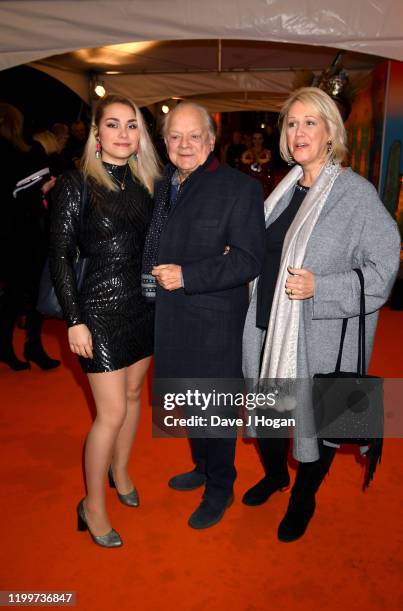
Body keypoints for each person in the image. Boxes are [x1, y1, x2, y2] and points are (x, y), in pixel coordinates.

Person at [242, 87, 401, 542]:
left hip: (323, 340)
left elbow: (385, 268)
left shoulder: (356, 194)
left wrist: (322, 288)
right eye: (292, 123)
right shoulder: (283, 188)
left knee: (322, 421)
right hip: (267, 328)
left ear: (331, 132)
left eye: (310, 122)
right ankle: (276, 476)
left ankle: (303, 497)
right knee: (271, 420)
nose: (299, 131)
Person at [143, 102, 265, 529]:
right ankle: (201, 467)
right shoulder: (162, 185)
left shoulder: (240, 188)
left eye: (195, 136)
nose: (185, 144)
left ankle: (221, 486)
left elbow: (249, 259)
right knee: (190, 403)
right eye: (175, 136)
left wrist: (188, 276)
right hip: (171, 319)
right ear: (164, 142)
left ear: (211, 141)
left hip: (214, 318)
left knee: (215, 408)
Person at [50, 94, 160, 547]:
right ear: (96, 133)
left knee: (134, 397)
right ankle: (92, 505)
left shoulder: (149, 183)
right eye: (112, 124)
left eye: (131, 126)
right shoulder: (76, 185)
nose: (122, 133)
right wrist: (75, 320)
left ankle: (121, 471)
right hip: (97, 311)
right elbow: (58, 255)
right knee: (111, 413)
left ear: (140, 137)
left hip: (142, 307)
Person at [0, 102, 60, 371]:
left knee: (24, 292)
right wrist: (39, 191)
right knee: (22, 293)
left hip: (25, 232)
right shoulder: (25, 151)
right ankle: (26, 346)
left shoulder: (29, 149)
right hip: (21, 233)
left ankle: (27, 346)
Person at [240, 131, 275, 198]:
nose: (257, 141)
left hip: (264, 189)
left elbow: (272, 172)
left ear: (263, 140)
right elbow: (242, 173)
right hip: (249, 188)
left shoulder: (268, 154)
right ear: (252, 140)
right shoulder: (246, 154)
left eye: (259, 138)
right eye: (255, 138)